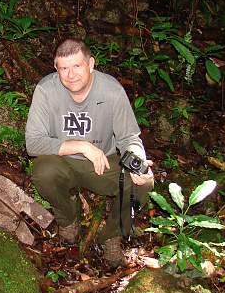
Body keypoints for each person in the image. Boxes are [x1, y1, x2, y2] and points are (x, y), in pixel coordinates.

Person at [25, 38, 154, 267]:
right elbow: (33, 143)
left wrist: (137, 161)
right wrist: (82, 145)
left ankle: (112, 235)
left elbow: (128, 138)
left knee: (144, 183)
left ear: (91, 64)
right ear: (56, 68)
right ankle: (67, 219)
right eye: (63, 68)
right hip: (62, 162)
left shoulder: (111, 90)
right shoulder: (46, 90)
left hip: (103, 163)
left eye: (77, 66)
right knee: (43, 171)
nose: (70, 74)